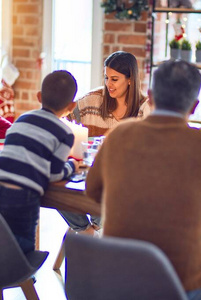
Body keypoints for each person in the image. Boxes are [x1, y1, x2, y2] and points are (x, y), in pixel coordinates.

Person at [85, 59, 201, 300]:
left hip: (116, 281)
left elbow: (92, 192)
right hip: (178, 288)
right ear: (195, 106)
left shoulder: (119, 135)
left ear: (151, 97)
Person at [0, 70, 80, 254]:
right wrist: (71, 166)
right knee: (24, 246)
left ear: (39, 96)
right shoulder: (65, 133)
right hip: (22, 194)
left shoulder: (21, 120)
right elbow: (54, 174)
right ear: (72, 105)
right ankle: (19, 272)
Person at [60, 51, 151, 235]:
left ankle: (93, 230)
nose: (108, 84)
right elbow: (62, 118)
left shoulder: (144, 107)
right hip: (88, 178)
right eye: (106, 77)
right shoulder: (92, 101)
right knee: (56, 186)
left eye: (115, 79)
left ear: (130, 79)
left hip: (122, 185)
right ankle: (87, 230)